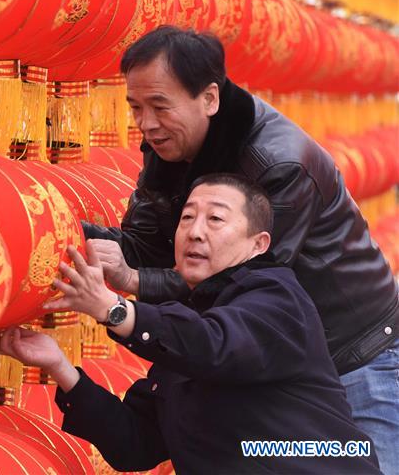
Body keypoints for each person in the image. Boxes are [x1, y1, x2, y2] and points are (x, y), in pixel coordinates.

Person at [81, 26, 398, 471]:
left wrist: (128, 289)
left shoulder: (280, 164)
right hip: (270, 362)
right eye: (135, 107)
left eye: (160, 106)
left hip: (356, 357)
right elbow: (144, 244)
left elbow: (236, 281)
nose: (146, 124)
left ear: (209, 98)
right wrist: (65, 234)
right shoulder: (169, 145)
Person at [0, 175, 380, 474]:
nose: (195, 232)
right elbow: (134, 444)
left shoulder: (277, 297)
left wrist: (114, 308)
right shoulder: (187, 327)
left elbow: (215, 344)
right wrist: (59, 366)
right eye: (187, 218)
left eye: (216, 219)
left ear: (258, 244)